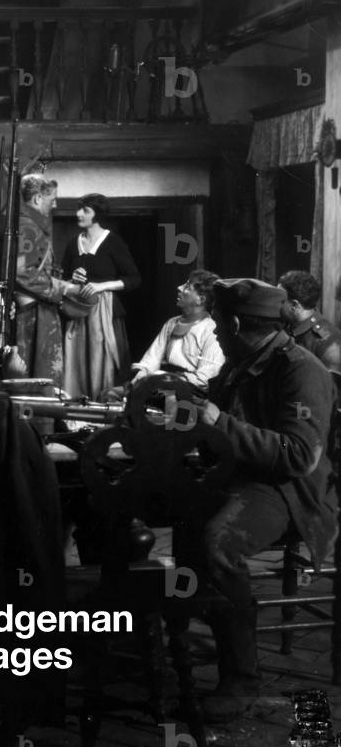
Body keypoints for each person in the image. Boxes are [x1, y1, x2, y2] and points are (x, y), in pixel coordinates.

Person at [185, 278, 337, 723]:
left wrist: (218, 422)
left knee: (220, 543)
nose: (213, 332)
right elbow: (211, 405)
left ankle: (240, 677)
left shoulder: (299, 369)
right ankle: (210, 625)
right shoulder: (245, 360)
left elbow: (297, 457)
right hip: (245, 477)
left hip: (290, 492)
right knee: (169, 504)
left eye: (217, 324)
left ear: (234, 323)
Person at [61, 193, 140, 399]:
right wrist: (72, 278)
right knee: (76, 363)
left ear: (97, 214)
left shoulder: (113, 242)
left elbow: (134, 279)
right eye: (79, 209)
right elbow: (62, 278)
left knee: (104, 363)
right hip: (78, 313)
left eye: (85, 210)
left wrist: (101, 286)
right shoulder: (73, 243)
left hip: (105, 313)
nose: (79, 214)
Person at [15, 174, 76, 385]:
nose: (56, 204)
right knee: (41, 376)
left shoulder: (31, 225)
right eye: (52, 199)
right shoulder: (27, 228)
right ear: (38, 198)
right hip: (33, 312)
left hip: (37, 308)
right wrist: (63, 287)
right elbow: (21, 271)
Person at [126, 269, 225, 393]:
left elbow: (205, 378)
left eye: (188, 287)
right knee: (111, 394)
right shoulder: (171, 323)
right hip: (158, 385)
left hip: (188, 392)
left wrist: (166, 379)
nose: (179, 288)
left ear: (200, 299)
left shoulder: (211, 331)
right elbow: (152, 358)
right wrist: (143, 371)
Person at [278, 270, 341, 374]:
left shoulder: (329, 343)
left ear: (294, 306)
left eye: (280, 301)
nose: (276, 304)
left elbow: (331, 388)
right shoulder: (286, 327)